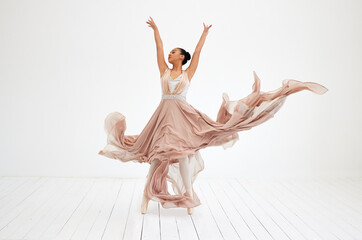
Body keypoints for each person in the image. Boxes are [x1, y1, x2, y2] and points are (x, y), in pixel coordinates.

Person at [98, 17, 328, 215]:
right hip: (163, 117)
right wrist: (156, 31)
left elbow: (197, 53)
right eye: (170, 51)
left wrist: (204, 33)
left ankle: (187, 195)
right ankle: (146, 198)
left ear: (181, 57)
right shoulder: (165, 71)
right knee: (158, 155)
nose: (169, 53)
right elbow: (158, 49)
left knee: (184, 155)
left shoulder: (188, 72)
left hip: (182, 117)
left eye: (173, 52)